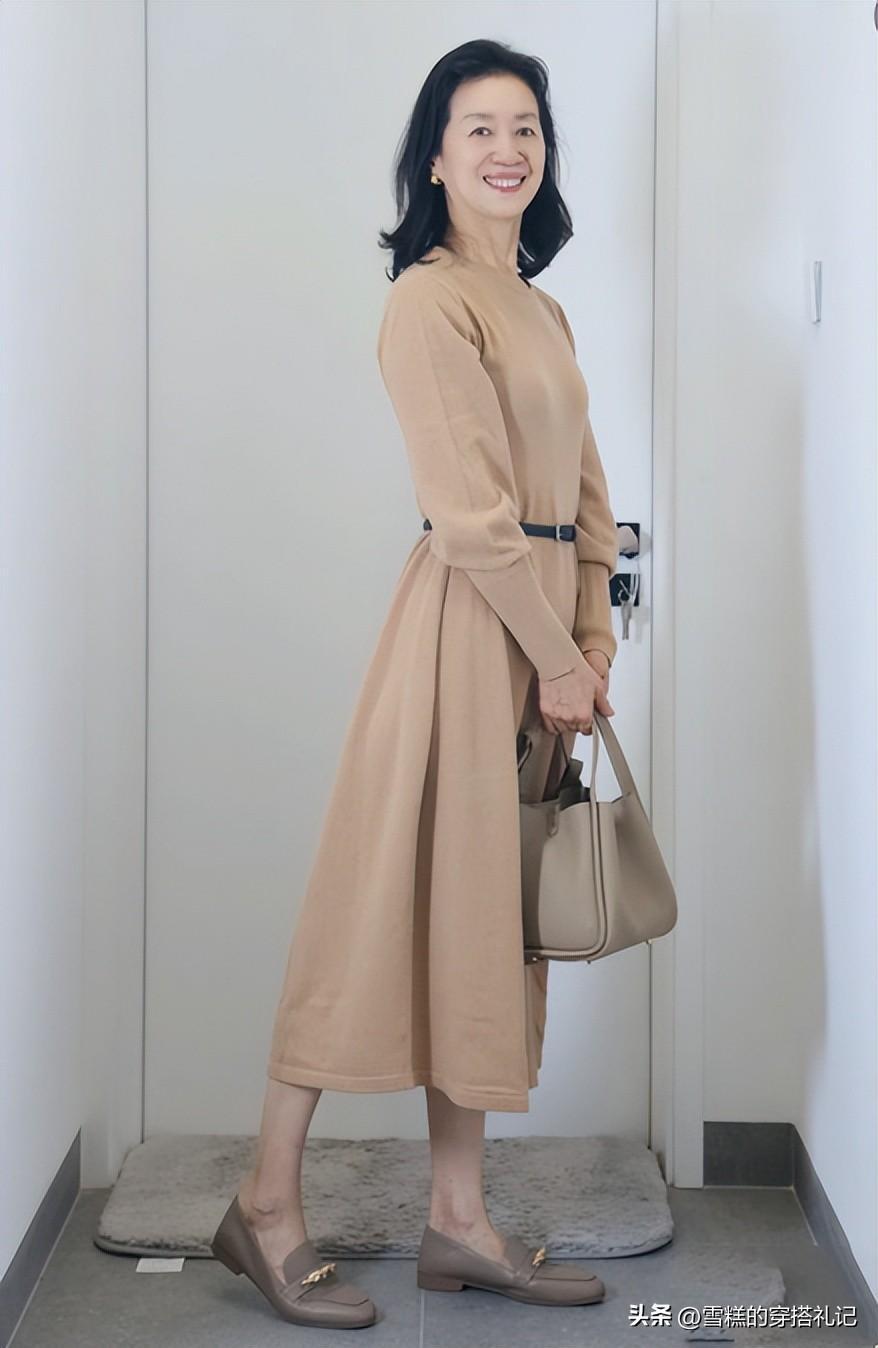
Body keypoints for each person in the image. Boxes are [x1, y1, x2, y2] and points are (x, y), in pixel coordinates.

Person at [211, 37, 619, 1330]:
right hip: (461, 635)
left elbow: (589, 501)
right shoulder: (427, 302)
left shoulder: (540, 309)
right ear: (433, 158)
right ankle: (266, 1205)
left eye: (525, 127)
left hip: (538, 652)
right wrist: (556, 653)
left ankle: (457, 1222)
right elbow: (469, 516)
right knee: (372, 911)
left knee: (480, 932)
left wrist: (590, 645)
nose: (507, 148)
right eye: (478, 127)